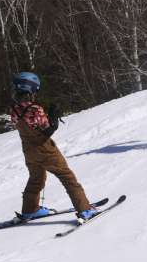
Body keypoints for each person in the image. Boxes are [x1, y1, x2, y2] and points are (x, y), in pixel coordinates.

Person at [9, 71, 99, 222]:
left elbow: (26, 126)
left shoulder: (14, 109)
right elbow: (46, 130)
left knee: (36, 178)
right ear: (31, 90)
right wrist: (54, 120)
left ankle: (30, 210)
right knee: (67, 177)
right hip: (45, 150)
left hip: (29, 151)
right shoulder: (35, 109)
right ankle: (85, 210)